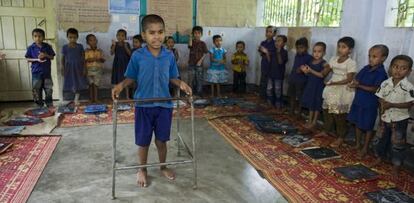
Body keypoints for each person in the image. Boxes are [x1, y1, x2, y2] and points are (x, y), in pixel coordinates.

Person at [111, 14, 192, 188]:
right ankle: (143, 169)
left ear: (165, 33)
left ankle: (163, 166)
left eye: (160, 32)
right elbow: (130, 77)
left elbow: (173, 77)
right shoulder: (137, 56)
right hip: (143, 105)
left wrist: (182, 84)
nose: (157, 36)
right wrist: (120, 85)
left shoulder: (169, 56)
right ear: (144, 34)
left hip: (164, 105)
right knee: (143, 140)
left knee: (162, 140)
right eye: (152, 33)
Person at [373, 55, 414, 175]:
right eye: (395, 67)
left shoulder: (409, 87)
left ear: (409, 71)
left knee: (397, 144)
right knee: (380, 139)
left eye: (403, 68)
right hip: (385, 117)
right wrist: (382, 105)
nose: (398, 70)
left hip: (399, 119)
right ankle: (379, 157)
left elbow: (409, 104)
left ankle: (396, 165)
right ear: (390, 68)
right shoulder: (385, 83)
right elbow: (380, 97)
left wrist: (391, 104)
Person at [347, 44, 389, 157]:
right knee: (357, 123)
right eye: (369, 56)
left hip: (369, 104)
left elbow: (375, 89)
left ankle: (365, 147)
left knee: (368, 126)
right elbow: (357, 78)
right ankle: (357, 144)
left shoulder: (381, 73)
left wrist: (358, 85)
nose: (371, 58)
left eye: (374, 56)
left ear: (383, 58)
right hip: (358, 101)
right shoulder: (366, 68)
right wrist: (354, 82)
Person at [322, 37, 357, 147]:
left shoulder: (351, 63)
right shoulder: (333, 59)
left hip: (342, 90)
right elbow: (325, 71)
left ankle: (341, 136)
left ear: (350, 50)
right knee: (327, 110)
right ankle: (326, 130)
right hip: (332, 88)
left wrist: (334, 83)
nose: (340, 49)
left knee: (339, 114)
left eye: (344, 47)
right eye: (339, 46)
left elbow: (349, 79)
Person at [300, 42, 331, 129]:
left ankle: (314, 121)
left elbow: (322, 75)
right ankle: (309, 120)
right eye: (314, 51)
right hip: (310, 85)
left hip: (318, 86)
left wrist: (310, 71)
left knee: (316, 104)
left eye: (319, 51)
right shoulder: (311, 62)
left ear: (324, 53)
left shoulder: (324, 63)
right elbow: (308, 74)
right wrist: (305, 71)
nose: (316, 53)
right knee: (311, 103)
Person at [25, 28, 56, 107]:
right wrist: (37, 59)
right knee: (36, 89)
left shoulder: (47, 47)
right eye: (35, 36)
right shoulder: (31, 48)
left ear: (43, 37)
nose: (38, 38)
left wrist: (46, 55)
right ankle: (39, 105)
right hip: (36, 73)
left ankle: (49, 104)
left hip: (46, 73)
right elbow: (28, 59)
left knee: (48, 89)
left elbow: (52, 57)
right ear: (33, 37)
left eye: (40, 36)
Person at [62, 28, 88, 105]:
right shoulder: (65, 47)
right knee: (71, 82)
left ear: (77, 37)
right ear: (67, 37)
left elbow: (83, 58)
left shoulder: (80, 46)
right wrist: (63, 68)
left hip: (78, 67)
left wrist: (84, 68)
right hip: (69, 68)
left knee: (78, 81)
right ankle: (72, 97)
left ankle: (77, 98)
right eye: (70, 37)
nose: (72, 39)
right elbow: (63, 58)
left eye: (74, 37)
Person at [287, 37, 312, 118]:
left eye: (301, 48)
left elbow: (308, 70)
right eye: (297, 48)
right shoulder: (296, 55)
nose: (299, 50)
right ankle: (291, 110)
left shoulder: (309, 57)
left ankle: (299, 112)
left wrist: (301, 70)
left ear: (306, 47)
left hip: (302, 81)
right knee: (292, 95)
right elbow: (295, 67)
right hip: (293, 78)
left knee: (300, 97)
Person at [262, 35, 288, 110]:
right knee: (269, 89)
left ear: (284, 43)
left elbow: (280, 62)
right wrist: (266, 53)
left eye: (279, 41)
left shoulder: (284, 52)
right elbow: (269, 61)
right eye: (276, 41)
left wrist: (279, 53)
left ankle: (278, 103)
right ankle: (270, 102)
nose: (276, 42)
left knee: (277, 90)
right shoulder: (273, 51)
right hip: (271, 73)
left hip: (279, 75)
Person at [111, 29, 132, 99]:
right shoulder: (115, 44)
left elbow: (130, 54)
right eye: (119, 35)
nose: (120, 37)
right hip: (117, 65)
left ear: (125, 37)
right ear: (116, 36)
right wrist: (113, 45)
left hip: (125, 64)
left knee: (125, 79)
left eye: (122, 36)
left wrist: (126, 47)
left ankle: (127, 96)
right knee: (117, 80)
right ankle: (117, 96)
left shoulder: (127, 44)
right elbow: (111, 53)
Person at [188, 26, 208, 96]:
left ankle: (199, 92)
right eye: (195, 33)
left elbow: (205, 53)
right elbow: (189, 46)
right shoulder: (191, 42)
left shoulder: (203, 43)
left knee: (199, 79)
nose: (197, 34)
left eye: (198, 33)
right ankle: (190, 92)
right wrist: (190, 37)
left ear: (201, 34)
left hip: (199, 64)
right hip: (191, 63)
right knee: (191, 79)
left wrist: (200, 61)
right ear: (193, 34)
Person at [85, 34, 105, 103]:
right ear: (87, 43)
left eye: (94, 40)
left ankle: (96, 99)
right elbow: (85, 60)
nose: (93, 42)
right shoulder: (86, 51)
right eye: (90, 40)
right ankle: (91, 99)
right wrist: (93, 59)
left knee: (96, 85)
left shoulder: (100, 51)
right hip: (89, 70)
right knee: (91, 84)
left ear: (96, 41)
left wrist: (100, 59)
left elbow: (103, 60)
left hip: (98, 70)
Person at [258, 26, 276, 99]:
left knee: (270, 82)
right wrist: (261, 50)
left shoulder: (275, 43)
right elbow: (261, 53)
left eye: (270, 32)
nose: (268, 33)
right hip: (264, 64)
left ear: (274, 34)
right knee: (263, 81)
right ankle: (262, 96)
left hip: (272, 66)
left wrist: (266, 51)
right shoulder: (263, 42)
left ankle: (270, 98)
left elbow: (272, 55)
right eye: (267, 31)